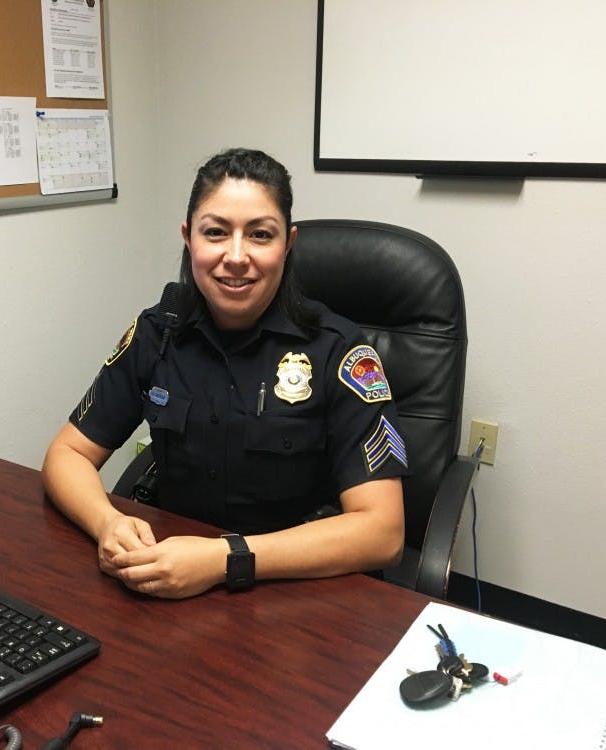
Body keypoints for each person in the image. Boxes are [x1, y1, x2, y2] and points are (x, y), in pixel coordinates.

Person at [42, 147, 407, 599]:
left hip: (296, 590)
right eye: (215, 232)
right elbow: (67, 455)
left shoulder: (340, 350)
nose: (235, 256)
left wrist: (225, 559)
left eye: (259, 235)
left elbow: (383, 532)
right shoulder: (158, 333)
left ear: (288, 244)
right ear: (188, 237)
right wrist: (108, 522)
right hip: (169, 578)